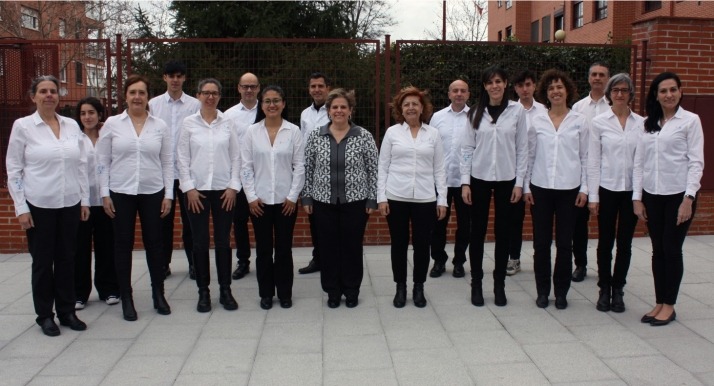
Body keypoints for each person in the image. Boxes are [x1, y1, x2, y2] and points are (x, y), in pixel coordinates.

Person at [6, 75, 90, 336]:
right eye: (43, 91)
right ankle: (44, 315)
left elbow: (82, 166)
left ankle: (67, 311)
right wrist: (21, 207)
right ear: (34, 96)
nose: (49, 95)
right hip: (39, 204)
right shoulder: (23, 127)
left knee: (67, 259)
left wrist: (84, 200)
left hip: (69, 203)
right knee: (43, 262)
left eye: (53, 91)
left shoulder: (71, 126)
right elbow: (14, 169)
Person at [96, 74, 174, 321]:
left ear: (147, 96)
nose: (137, 97)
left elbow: (167, 162)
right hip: (121, 192)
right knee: (122, 245)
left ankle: (158, 293)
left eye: (141, 92)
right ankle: (126, 297)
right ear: (125, 96)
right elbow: (102, 162)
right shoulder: (112, 124)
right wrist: (104, 194)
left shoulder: (159, 125)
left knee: (155, 244)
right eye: (133, 93)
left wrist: (169, 195)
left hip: (153, 191)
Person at [634, 72, 704, 326]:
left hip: (678, 196)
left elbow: (696, 163)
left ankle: (670, 305)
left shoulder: (690, 121)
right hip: (652, 196)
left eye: (673, 89)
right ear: (656, 95)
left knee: (672, 249)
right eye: (663, 91)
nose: (669, 95)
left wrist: (688, 198)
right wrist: (637, 198)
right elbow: (639, 164)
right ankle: (659, 301)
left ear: (680, 91)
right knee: (657, 251)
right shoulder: (647, 123)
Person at [302, 89, 378, 308]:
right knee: (327, 248)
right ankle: (332, 291)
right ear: (328, 111)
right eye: (334, 107)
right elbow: (308, 168)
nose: (339, 111)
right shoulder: (317, 135)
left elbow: (373, 169)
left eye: (343, 107)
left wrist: (372, 199)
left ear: (350, 110)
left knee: (352, 247)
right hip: (322, 202)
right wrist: (306, 197)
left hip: (355, 203)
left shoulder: (363, 136)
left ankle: (352, 289)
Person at [460, 67, 528, 307]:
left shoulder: (517, 111)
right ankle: (476, 283)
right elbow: (467, 149)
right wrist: (465, 182)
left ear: (506, 83)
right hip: (478, 178)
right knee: (476, 233)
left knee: (504, 233)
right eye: (489, 82)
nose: (494, 86)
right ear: (484, 86)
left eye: (498, 81)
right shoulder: (475, 113)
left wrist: (520, 183)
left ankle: (499, 284)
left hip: (507, 180)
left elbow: (522, 149)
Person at [524, 69, 589, 310]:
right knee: (541, 244)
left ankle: (561, 292)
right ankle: (543, 291)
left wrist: (585, 189)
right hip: (540, 188)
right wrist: (525, 185)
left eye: (560, 87)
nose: (556, 91)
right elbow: (529, 155)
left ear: (568, 90)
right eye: (551, 88)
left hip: (569, 190)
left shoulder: (580, 121)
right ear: (546, 93)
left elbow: (586, 157)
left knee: (564, 243)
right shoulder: (537, 120)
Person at [378, 86, 447, 308]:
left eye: (415, 104)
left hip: (425, 199)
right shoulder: (392, 133)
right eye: (406, 104)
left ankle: (419, 286)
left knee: (422, 245)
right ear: (400, 108)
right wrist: (382, 197)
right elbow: (383, 167)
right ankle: (400, 287)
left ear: (422, 108)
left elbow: (440, 169)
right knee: (398, 244)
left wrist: (442, 199)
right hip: (396, 196)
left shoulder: (433, 134)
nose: (411, 107)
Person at [177, 78, 241, 313]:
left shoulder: (228, 123)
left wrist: (234, 186)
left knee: (223, 241)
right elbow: (182, 157)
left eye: (214, 93)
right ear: (198, 95)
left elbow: (236, 156)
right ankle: (203, 291)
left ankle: (225, 290)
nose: (210, 97)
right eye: (206, 93)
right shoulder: (189, 124)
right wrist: (189, 188)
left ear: (220, 96)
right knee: (200, 242)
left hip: (224, 191)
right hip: (197, 192)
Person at [241, 85, 305, 310]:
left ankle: (285, 293)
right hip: (259, 203)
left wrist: (292, 196)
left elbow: (300, 166)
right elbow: (246, 166)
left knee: (284, 249)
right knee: (264, 249)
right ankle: (266, 294)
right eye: (267, 101)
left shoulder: (293, 131)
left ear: (283, 104)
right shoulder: (252, 132)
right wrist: (250, 197)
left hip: (286, 202)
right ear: (261, 104)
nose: (272, 105)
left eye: (276, 100)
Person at [588, 74, 644, 313]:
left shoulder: (641, 123)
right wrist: (593, 196)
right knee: (605, 242)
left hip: (630, 192)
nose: (620, 94)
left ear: (630, 94)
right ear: (609, 94)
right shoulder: (599, 122)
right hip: (607, 190)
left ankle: (618, 288)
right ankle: (604, 288)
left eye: (624, 90)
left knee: (625, 243)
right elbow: (593, 161)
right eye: (615, 90)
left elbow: (642, 163)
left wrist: (638, 197)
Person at [148, 61, 200, 279]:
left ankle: (194, 264)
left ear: (185, 78)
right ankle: (163, 264)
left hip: (188, 173)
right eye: (171, 76)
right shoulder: (153, 104)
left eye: (179, 76)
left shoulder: (195, 105)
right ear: (164, 78)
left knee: (191, 222)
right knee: (162, 222)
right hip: (161, 173)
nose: (175, 80)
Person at [74, 97, 120, 310]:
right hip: (81, 202)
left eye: (91, 112)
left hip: (105, 201)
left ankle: (108, 289)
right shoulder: (73, 138)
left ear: (100, 114)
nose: (87, 117)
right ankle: (79, 293)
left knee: (106, 246)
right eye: (83, 113)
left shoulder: (108, 136)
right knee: (80, 248)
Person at [570, 62, 610, 282]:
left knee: (606, 224)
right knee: (579, 225)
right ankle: (581, 264)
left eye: (602, 75)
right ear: (588, 78)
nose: (597, 78)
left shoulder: (614, 105)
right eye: (593, 74)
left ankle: (605, 266)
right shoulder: (578, 108)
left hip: (608, 176)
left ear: (608, 78)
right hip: (584, 174)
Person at [429, 79, 471, 279]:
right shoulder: (437, 118)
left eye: (463, 91)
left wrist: (468, 181)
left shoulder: (475, 117)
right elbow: (431, 147)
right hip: (440, 182)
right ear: (449, 94)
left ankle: (459, 262)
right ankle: (438, 260)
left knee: (465, 225)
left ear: (468, 94)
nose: (459, 94)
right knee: (437, 224)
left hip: (465, 183)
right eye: (455, 90)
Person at [507, 70, 547, 276]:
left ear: (534, 86)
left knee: (540, 220)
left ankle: (541, 260)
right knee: (514, 219)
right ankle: (513, 258)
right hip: (514, 173)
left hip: (538, 172)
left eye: (528, 84)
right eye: (520, 85)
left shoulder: (544, 111)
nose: (525, 89)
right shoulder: (509, 110)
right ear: (515, 88)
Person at [225, 72, 261, 280]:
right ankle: (243, 261)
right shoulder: (228, 115)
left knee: (261, 220)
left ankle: (264, 259)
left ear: (258, 88)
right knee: (239, 221)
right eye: (245, 86)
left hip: (262, 175)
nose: (249, 90)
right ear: (238, 88)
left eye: (253, 86)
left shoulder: (266, 110)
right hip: (238, 177)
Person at [298, 72, 332, 275]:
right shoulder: (305, 114)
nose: (317, 89)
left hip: (334, 173)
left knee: (332, 222)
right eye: (313, 86)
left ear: (328, 88)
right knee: (315, 221)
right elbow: (302, 145)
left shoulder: (336, 110)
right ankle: (318, 258)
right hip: (312, 174)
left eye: (320, 85)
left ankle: (333, 259)